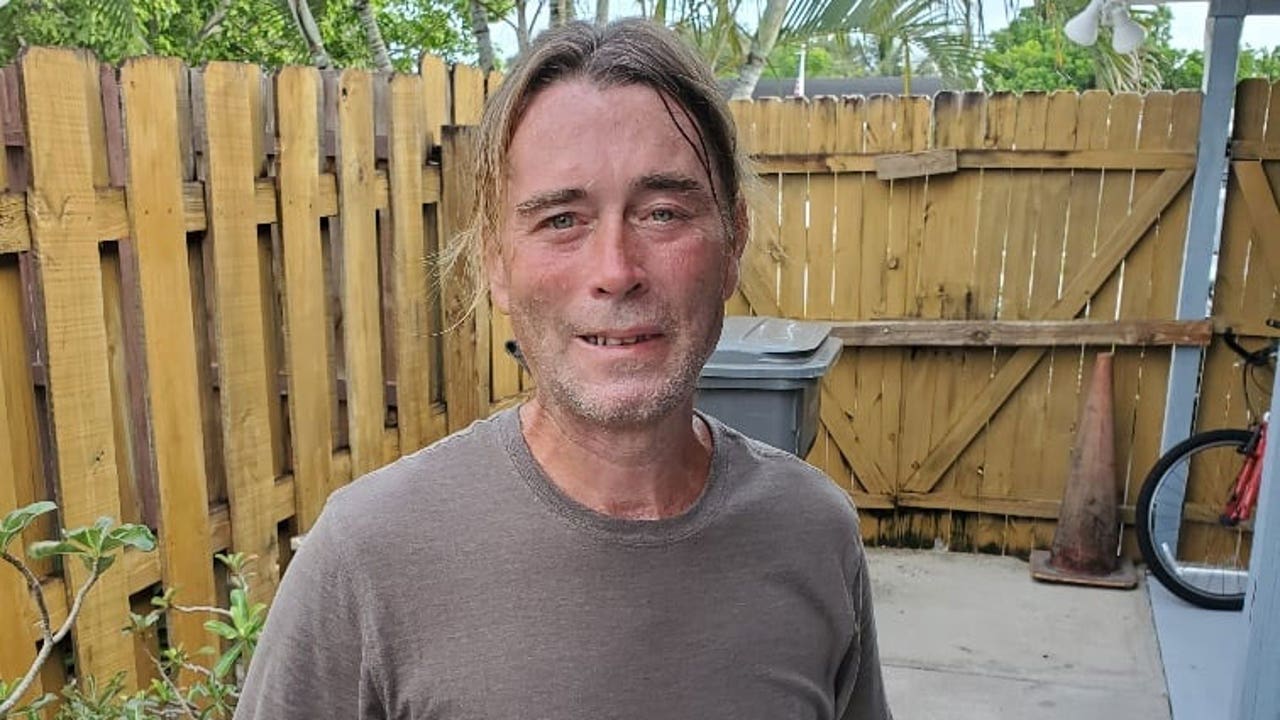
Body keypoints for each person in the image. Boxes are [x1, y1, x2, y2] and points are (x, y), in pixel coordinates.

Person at [235, 18, 892, 720]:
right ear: (495, 262)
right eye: (561, 220)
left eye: (663, 213)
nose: (616, 270)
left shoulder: (813, 534)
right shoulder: (367, 561)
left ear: (733, 243)